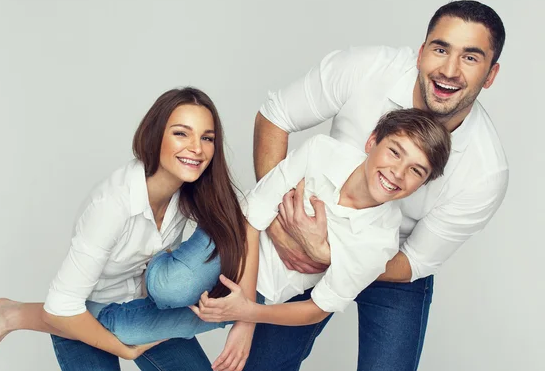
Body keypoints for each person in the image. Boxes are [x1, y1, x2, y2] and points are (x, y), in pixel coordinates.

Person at [237, 0, 509, 371]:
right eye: (440, 49)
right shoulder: (364, 68)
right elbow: (275, 116)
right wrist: (281, 227)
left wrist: (335, 256)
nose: (449, 71)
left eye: (471, 57)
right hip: (305, 230)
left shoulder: (486, 172)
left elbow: (412, 261)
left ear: (491, 74)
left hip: (389, 264)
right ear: (421, 51)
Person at [0, 87, 259, 371]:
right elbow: (62, 307)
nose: (196, 148)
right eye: (181, 134)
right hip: (80, 319)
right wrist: (124, 348)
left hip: (146, 308)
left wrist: (246, 320)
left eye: (207, 138)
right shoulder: (112, 205)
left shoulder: (195, 189)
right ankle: (10, 314)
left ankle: (14, 313)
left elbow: (248, 221)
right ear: (155, 134)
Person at [192, 108, 450, 327]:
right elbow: (252, 216)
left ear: (423, 184)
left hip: (264, 290)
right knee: (173, 287)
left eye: (416, 171)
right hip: (231, 236)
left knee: (171, 326)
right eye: (394, 152)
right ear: (372, 142)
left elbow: (318, 308)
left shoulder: (379, 243)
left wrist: (248, 312)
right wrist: (244, 325)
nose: (397, 172)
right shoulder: (322, 152)